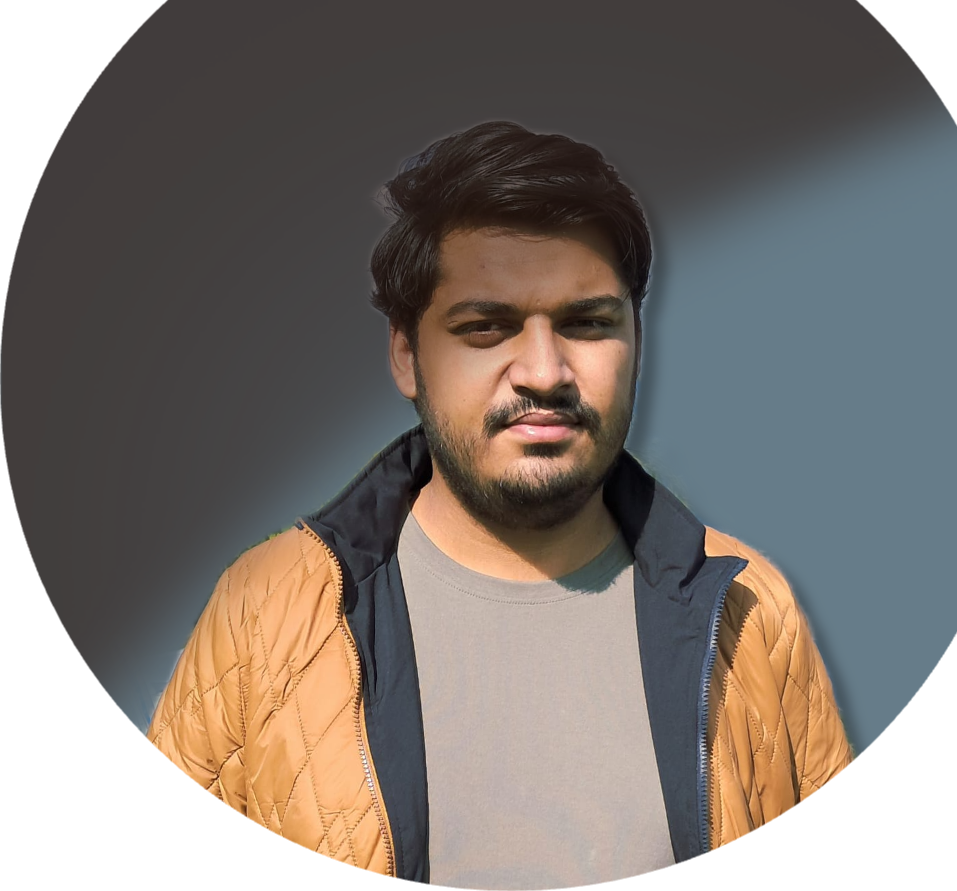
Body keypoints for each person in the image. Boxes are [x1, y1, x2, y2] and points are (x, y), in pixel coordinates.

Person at [147, 121, 852, 885]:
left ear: (638, 342)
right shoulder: (263, 614)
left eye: (587, 323)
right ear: (407, 355)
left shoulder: (753, 612)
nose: (544, 372)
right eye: (486, 327)